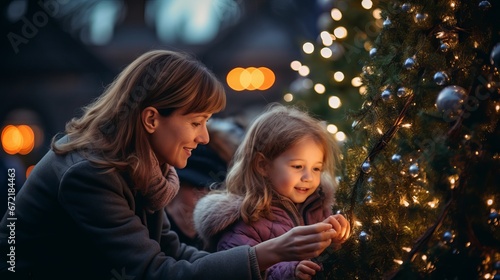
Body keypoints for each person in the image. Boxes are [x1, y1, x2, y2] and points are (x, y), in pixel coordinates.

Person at [0, 50, 341, 280]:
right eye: (196, 122)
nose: (205, 137)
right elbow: (156, 272)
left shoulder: (145, 169)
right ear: (151, 119)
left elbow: (174, 254)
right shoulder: (90, 175)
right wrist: (269, 252)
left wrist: (264, 254)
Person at [193, 103, 351, 280]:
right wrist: (291, 273)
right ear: (263, 165)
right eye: (298, 166)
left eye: (316, 169)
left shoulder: (318, 207)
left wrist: (336, 241)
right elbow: (241, 272)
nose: (309, 177)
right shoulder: (245, 220)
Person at [167, 118, 244, 248]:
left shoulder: (228, 238)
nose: (204, 198)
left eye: (213, 190)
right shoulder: (149, 227)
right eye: (197, 187)